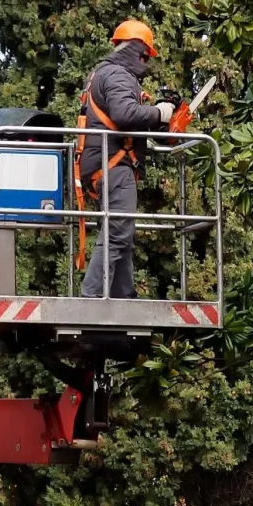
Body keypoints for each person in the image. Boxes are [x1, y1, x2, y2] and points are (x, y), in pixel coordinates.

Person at [77, 20, 175, 298]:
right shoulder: (119, 75)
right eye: (145, 56)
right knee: (119, 232)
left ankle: (124, 295)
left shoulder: (103, 74)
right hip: (113, 164)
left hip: (101, 164)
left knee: (122, 233)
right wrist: (159, 113)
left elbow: (122, 119)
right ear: (137, 49)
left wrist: (159, 122)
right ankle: (92, 297)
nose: (146, 62)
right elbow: (123, 114)